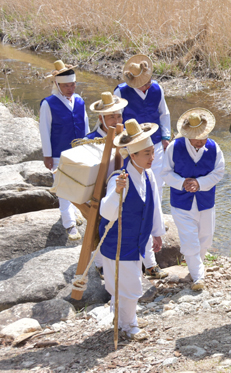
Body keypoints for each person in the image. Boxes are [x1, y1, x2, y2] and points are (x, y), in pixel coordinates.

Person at [99, 118, 166, 341]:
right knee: (130, 285)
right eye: (146, 154)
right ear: (133, 156)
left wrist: (157, 232)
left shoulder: (148, 175)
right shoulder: (120, 179)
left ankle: (124, 319)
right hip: (119, 241)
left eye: (152, 152)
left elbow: (154, 204)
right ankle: (129, 325)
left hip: (137, 239)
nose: (152, 157)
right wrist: (117, 192)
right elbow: (107, 212)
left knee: (129, 281)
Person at [161, 108, 225, 291]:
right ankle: (198, 277)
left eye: (203, 135)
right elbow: (165, 173)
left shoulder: (214, 147)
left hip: (206, 201)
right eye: (196, 136)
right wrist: (182, 183)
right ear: (187, 134)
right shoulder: (175, 147)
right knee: (190, 240)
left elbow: (219, 172)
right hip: (181, 203)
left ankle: (196, 267)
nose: (200, 140)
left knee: (205, 238)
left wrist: (199, 183)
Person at [39, 60, 89, 241]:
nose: (70, 88)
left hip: (78, 153)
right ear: (57, 85)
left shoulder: (80, 101)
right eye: (66, 86)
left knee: (77, 185)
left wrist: (88, 147)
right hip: (58, 154)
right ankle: (69, 224)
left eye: (72, 85)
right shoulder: (49, 104)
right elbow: (45, 130)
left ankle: (75, 213)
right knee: (63, 189)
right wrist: (47, 155)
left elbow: (85, 126)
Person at [114, 54, 171, 199]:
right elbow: (116, 120)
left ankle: (156, 213)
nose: (148, 85)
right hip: (132, 144)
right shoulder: (121, 92)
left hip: (156, 141)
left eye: (149, 80)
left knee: (157, 179)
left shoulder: (157, 89)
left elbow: (164, 113)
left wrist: (166, 137)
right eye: (144, 83)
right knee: (134, 179)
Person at [86, 91, 129, 278]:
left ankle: (122, 259)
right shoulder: (89, 140)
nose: (116, 119)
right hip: (97, 188)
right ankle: (100, 264)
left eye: (119, 115)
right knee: (97, 226)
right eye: (111, 116)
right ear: (101, 118)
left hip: (120, 185)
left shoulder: (127, 137)